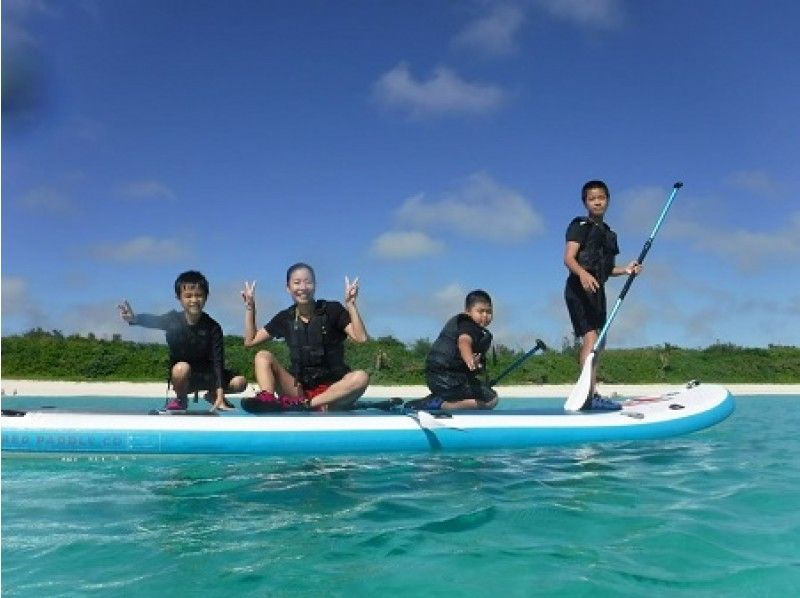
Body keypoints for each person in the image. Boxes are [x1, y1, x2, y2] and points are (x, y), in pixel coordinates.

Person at [241, 263, 369, 411]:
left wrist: (351, 305)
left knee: (361, 377)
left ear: (315, 285)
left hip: (333, 393)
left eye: (308, 282)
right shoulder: (285, 318)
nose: (302, 287)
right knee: (262, 356)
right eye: (297, 283)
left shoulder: (333, 310)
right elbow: (250, 341)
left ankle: (307, 405)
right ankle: (268, 401)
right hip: (298, 390)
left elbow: (361, 338)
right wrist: (250, 308)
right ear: (288, 287)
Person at [118, 270, 247, 411]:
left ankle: (214, 395)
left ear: (206, 297)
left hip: (208, 375)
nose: (194, 300)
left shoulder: (213, 327)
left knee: (240, 382)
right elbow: (154, 320)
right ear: (179, 298)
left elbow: (218, 362)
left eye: (199, 295)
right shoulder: (172, 320)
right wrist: (134, 318)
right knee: (181, 368)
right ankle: (181, 399)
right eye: (188, 296)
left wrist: (220, 394)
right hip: (184, 378)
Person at [563, 180, 641, 410]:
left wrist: (626, 270)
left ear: (608, 200)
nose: (597, 201)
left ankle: (590, 391)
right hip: (578, 289)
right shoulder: (579, 225)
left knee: (601, 340)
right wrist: (583, 275)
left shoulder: (610, 234)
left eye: (601, 197)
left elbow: (607, 269)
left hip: (598, 292)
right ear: (585, 202)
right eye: (591, 198)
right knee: (590, 338)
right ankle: (589, 394)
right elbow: (568, 258)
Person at [409, 289, 498, 411]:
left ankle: (434, 399)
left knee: (484, 391)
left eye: (489, 312)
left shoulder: (468, 327)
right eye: (480, 311)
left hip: (439, 378)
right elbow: (464, 342)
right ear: (468, 312)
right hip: (447, 380)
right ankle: (437, 404)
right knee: (492, 400)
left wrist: (475, 365)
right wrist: (469, 358)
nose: (485, 316)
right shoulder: (468, 325)